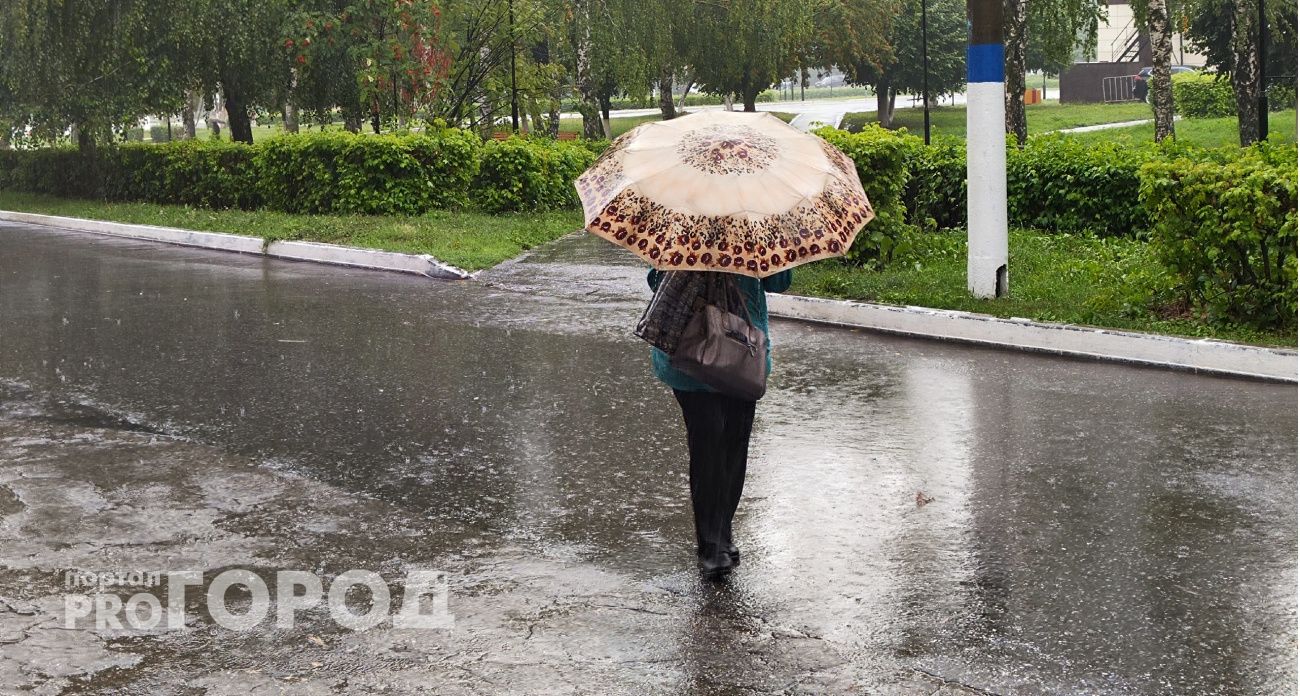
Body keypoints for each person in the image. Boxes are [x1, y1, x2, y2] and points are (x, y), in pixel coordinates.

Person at [647, 268, 793, 579]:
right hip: (698, 358)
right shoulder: (746, 228)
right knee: (712, 446)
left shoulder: (686, 228)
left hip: (736, 356)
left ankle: (721, 534)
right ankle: (712, 545)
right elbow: (656, 280)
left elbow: (779, 282)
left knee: (730, 447)